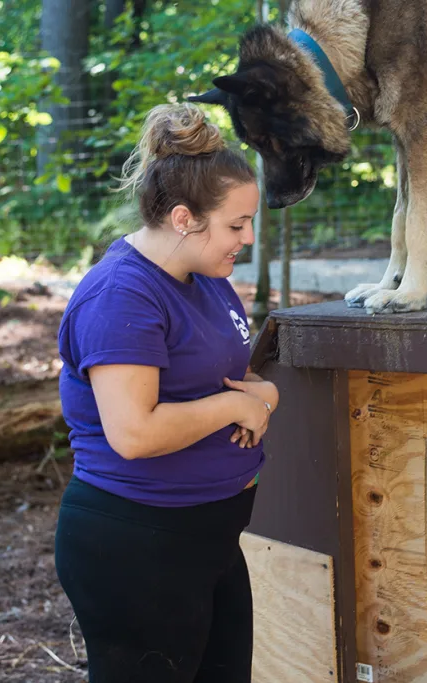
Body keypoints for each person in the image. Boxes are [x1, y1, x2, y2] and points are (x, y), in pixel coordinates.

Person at [53, 102, 279, 683]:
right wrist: (236, 406)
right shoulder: (122, 295)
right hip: (137, 545)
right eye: (236, 225)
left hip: (210, 537)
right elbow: (134, 431)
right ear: (183, 218)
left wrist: (263, 395)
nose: (248, 238)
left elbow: (225, 376)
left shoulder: (204, 279)